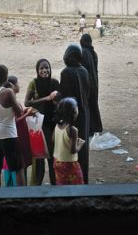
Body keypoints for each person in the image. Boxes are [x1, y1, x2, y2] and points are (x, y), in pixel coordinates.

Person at [0, 64, 33, 187]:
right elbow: (18, 113)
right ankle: (21, 195)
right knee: (18, 167)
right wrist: (27, 113)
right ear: (6, 77)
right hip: (8, 133)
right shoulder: (8, 92)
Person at [57, 44, 90, 183]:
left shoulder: (66, 72)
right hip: (84, 113)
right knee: (83, 148)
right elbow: (88, 92)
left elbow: (65, 96)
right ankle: (84, 179)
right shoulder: (84, 70)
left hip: (72, 115)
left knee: (71, 148)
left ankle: (73, 180)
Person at [24, 59, 60, 185]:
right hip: (38, 125)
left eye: (47, 68)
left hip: (52, 124)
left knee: (52, 158)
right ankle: (36, 188)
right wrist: (47, 98)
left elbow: (60, 101)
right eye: (41, 68)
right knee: (39, 159)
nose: (44, 71)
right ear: (37, 70)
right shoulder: (33, 84)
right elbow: (26, 102)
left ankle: (54, 186)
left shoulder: (55, 82)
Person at [4, 75, 33, 186]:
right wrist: (27, 115)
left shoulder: (13, 100)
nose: (19, 86)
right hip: (17, 136)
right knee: (19, 164)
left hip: (20, 135)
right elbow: (15, 121)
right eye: (17, 83)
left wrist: (25, 111)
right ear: (12, 86)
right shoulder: (11, 102)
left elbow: (18, 114)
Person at [52, 97, 86, 185]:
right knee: (77, 186)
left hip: (57, 162)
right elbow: (73, 150)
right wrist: (80, 144)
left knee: (62, 186)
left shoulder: (58, 124)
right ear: (74, 112)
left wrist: (65, 141)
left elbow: (53, 139)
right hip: (69, 164)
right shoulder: (73, 130)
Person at [80, 33, 103, 136]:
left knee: (88, 105)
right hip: (94, 82)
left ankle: (90, 128)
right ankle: (96, 127)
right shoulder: (93, 53)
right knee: (93, 105)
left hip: (88, 83)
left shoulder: (83, 52)